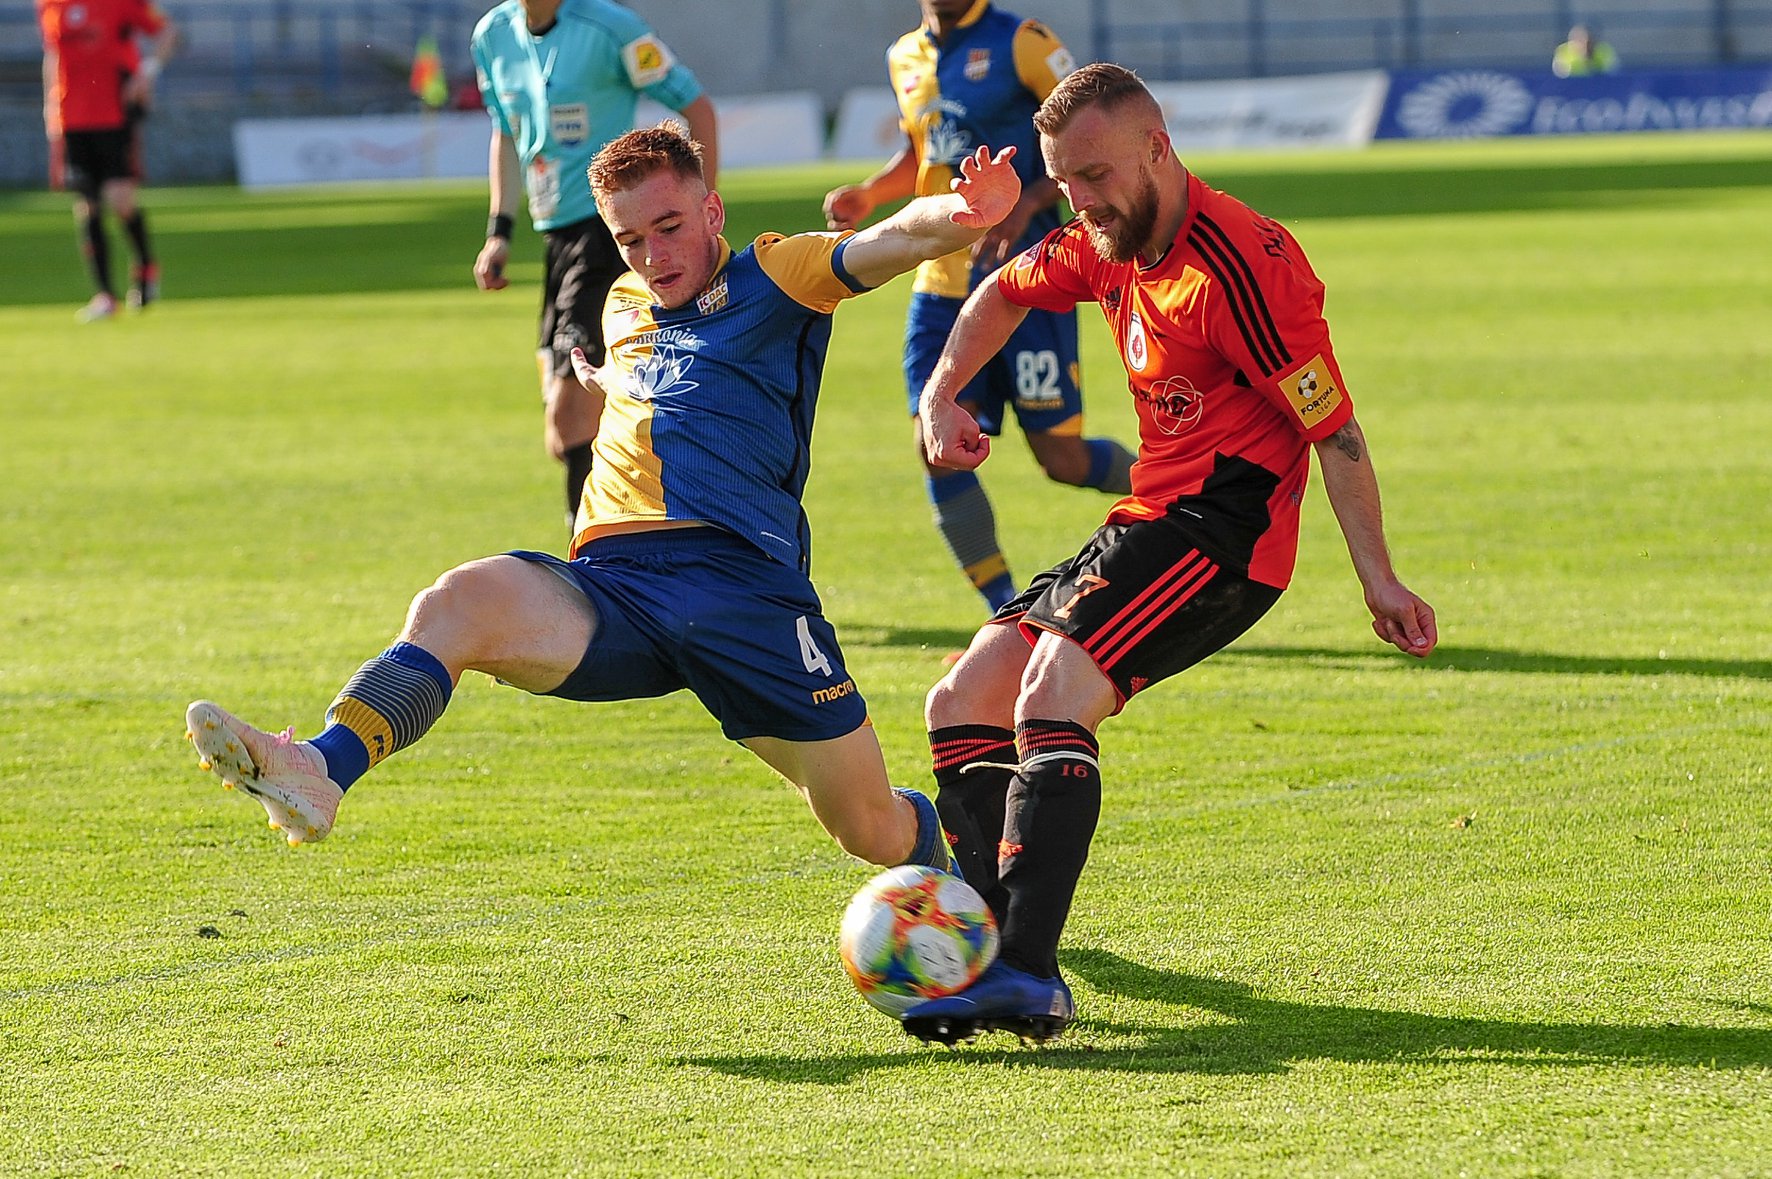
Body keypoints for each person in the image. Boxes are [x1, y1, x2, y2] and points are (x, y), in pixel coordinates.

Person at [184, 126, 1025, 894]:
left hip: (743, 592)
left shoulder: (777, 275)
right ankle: (320, 768)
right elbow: (646, 377)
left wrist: (963, 212)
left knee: (867, 826)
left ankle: (969, 888)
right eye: (630, 238)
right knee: (459, 600)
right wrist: (608, 381)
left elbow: (891, 241)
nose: (653, 255)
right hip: (615, 587)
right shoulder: (623, 303)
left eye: (669, 226)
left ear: (712, 211)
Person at [903, 63, 1439, 1045]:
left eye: (1095, 176)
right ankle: (984, 953)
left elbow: (1334, 431)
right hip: (1146, 519)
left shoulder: (1244, 266)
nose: (1080, 202)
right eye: (1064, 182)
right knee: (961, 699)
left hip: (1227, 536)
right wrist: (941, 393)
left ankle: (1024, 973)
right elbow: (1000, 292)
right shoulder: (1103, 240)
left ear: (1157, 147)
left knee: (1051, 697)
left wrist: (1379, 580)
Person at [823, 0, 1134, 614]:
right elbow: (926, 152)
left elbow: (1088, 136)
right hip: (941, 285)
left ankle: (1184, 489)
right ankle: (1005, 609)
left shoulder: (1025, 41)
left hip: (1030, 281)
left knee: (1062, 459)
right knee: (935, 445)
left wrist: (1027, 203)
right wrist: (871, 193)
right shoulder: (904, 55)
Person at [470, 0, 720, 530]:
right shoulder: (492, 35)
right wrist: (499, 231)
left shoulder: (611, 28)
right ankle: (659, 517)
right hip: (554, 237)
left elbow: (697, 108)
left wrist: (698, 214)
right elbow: (507, 133)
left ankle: (595, 558)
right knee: (566, 433)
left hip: (609, 236)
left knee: (570, 417)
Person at [36, 0, 177, 323]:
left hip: (115, 114)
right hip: (72, 118)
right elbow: (52, 55)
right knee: (88, 205)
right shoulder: (50, 4)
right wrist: (50, 109)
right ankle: (105, 296)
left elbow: (168, 32)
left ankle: (145, 266)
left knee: (120, 201)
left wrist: (146, 73)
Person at [1552, 24, 1620, 76]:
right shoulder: (1563, 51)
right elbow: (1559, 72)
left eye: (1586, 40)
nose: (1582, 44)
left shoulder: (1603, 50)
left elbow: (1612, 70)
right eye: (1577, 40)